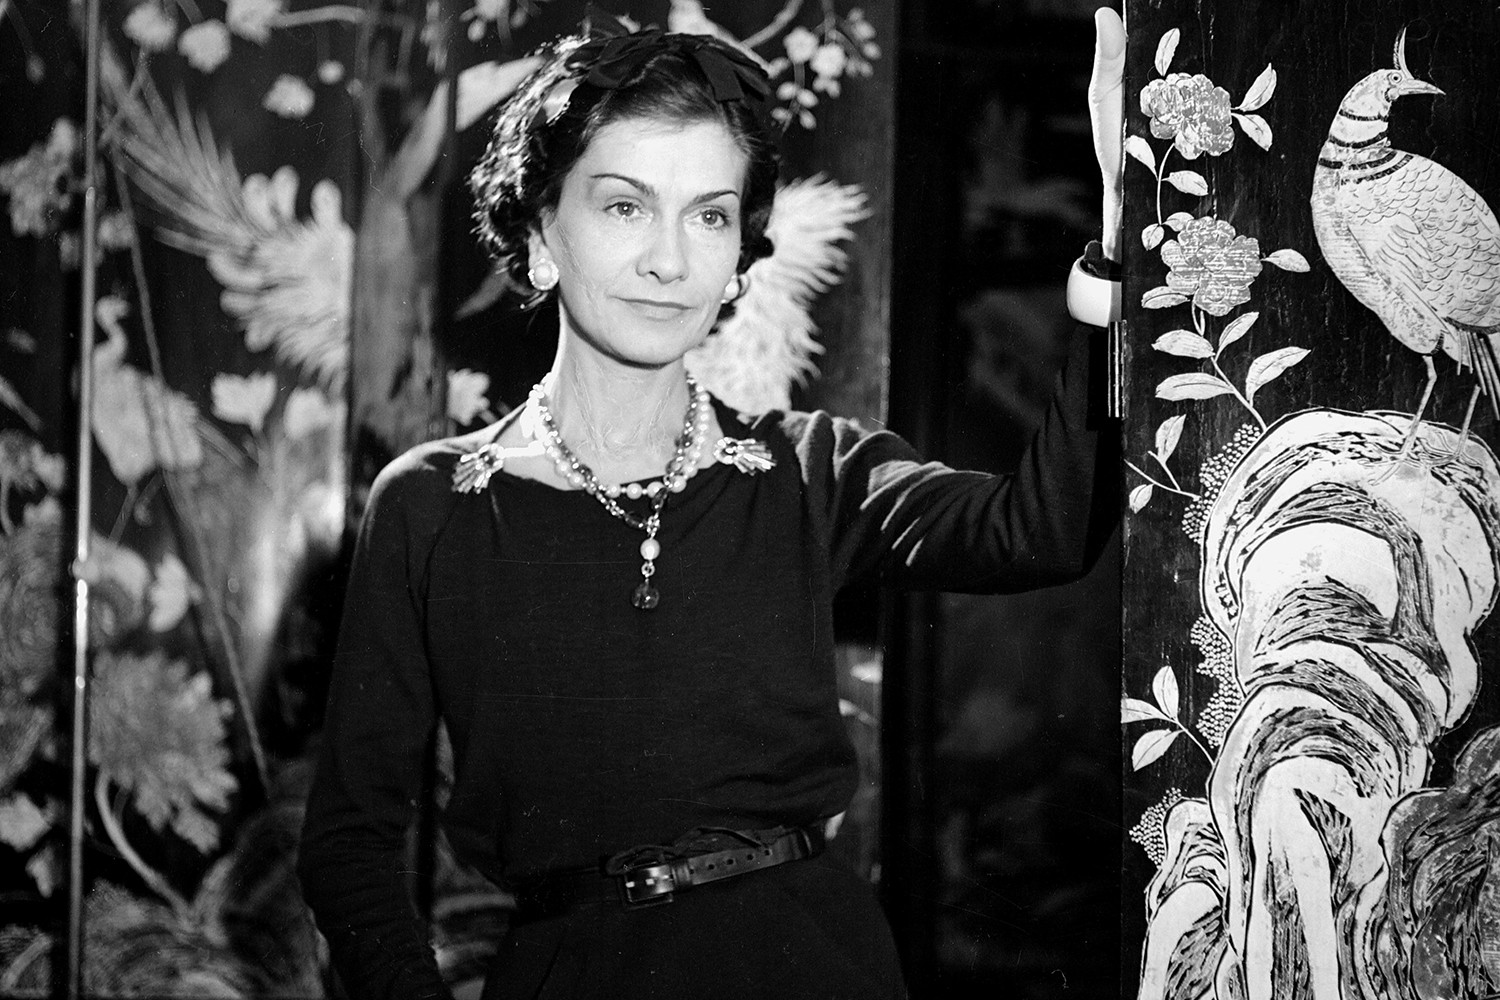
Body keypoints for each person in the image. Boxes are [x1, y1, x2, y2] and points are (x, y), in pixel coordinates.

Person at [298, 8, 1126, 999]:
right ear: (540, 231)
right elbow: (348, 846)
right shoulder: (433, 507)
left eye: (709, 215)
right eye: (624, 206)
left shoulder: (809, 470)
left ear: (737, 257)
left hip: (812, 970)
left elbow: (1043, 530)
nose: (670, 259)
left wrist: (1118, 247)